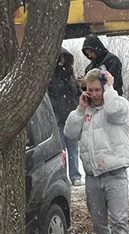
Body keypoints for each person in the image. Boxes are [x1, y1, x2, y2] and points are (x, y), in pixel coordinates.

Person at [64, 68, 129, 234]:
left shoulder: (118, 104)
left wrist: (110, 87)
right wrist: (79, 110)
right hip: (93, 175)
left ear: (105, 88)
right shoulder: (85, 113)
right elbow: (69, 133)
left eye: (96, 89)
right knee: (98, 219)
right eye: (88, 89)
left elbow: (113, 111)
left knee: (119, 218)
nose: (93, 94)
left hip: (115, 172)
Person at [47, 49, 82, 186]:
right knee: (61, 150)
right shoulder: (51, 77)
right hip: (58, 118)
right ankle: (62, 176)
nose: (62, 60)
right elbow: (50, 97)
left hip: (71, 117)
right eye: (60, 58)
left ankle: (75, 175)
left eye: (64, 58)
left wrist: (77, 103)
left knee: (73, 148)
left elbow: (77, 93)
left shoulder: (70, 76)